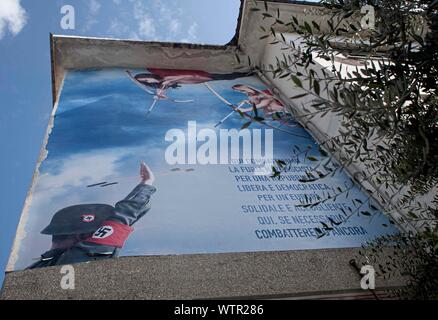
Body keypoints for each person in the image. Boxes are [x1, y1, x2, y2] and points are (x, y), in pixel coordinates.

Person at [27, 162, 156, 269]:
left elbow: (119, 221)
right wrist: (146, 185)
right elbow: (117, 223)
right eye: (96, 232)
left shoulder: (40, 266)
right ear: (81, 236)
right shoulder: (74, 260)